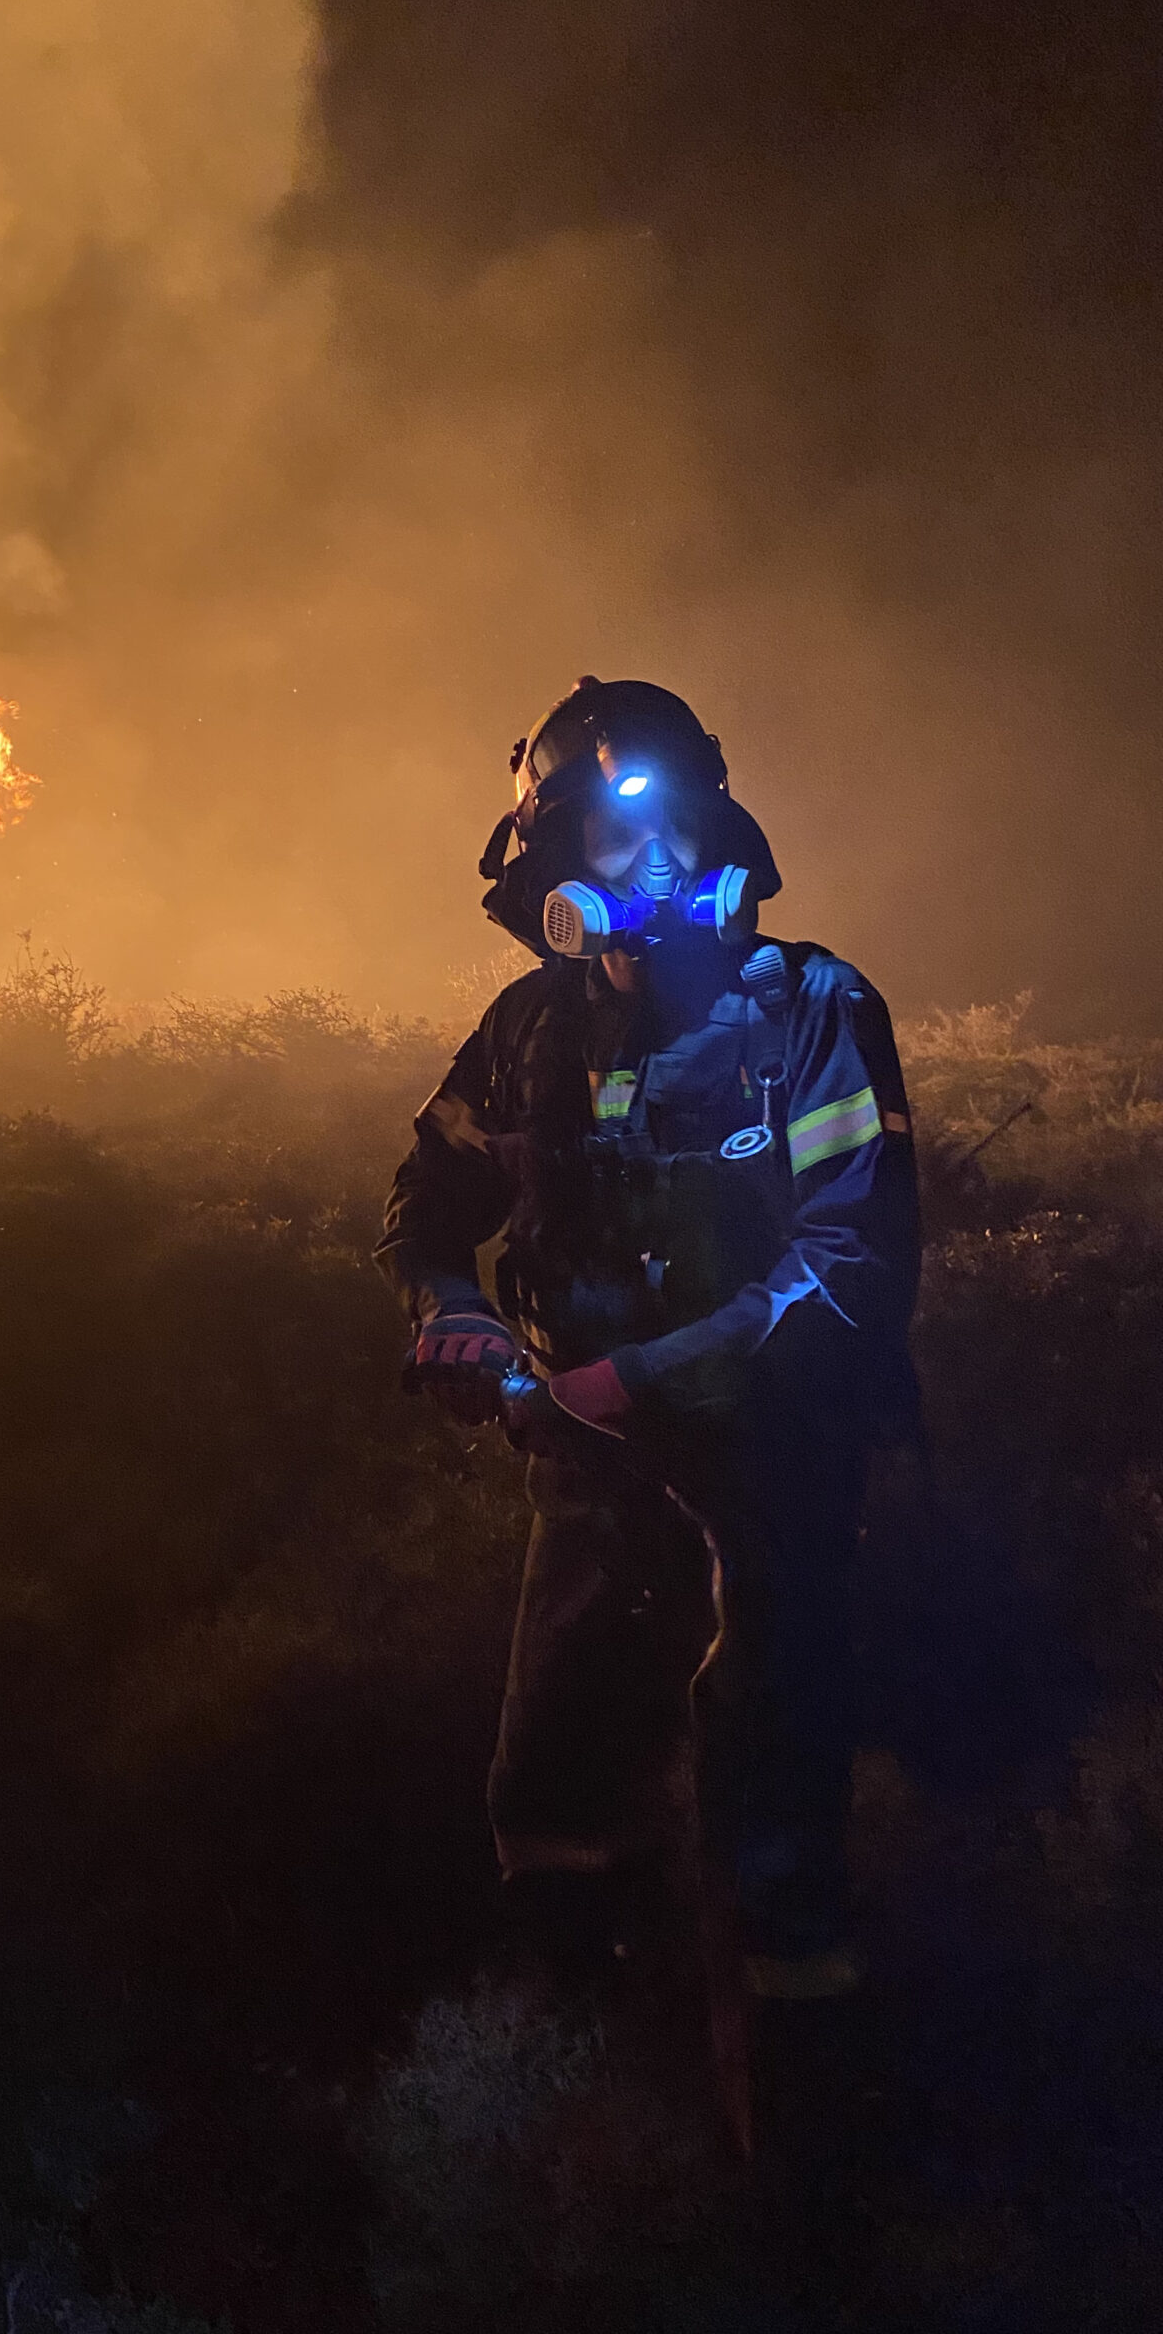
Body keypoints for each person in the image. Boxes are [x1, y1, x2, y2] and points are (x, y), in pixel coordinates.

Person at [378, 677, 921, 1999]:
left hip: (778, 1458)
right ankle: (591, 2057)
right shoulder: (529, 1036)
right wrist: (455, 1320)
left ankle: (801, 2075)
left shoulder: (811, 1009)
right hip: (590, 1468)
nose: (660, 860)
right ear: (558, 863)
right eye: (622, 836)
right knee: (557, 1786)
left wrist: (627, 1381)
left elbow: (850, 1261)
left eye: (681, 824)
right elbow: (425, 1211)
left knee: (774, 1781)